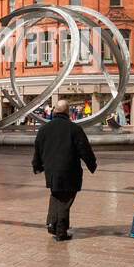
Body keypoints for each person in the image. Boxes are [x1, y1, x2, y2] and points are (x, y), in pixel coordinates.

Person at [32, 98, 97, 242]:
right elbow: (84, 149)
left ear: (54, 110)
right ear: (68, 112)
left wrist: (37, 166)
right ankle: (61, 231)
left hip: (52, 171)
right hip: (69, 171)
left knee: (56, 195)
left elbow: (38, 149)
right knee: (65, 200)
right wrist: (92, 165)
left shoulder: (44, 129)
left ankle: (51, 224)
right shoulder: (74, 129)